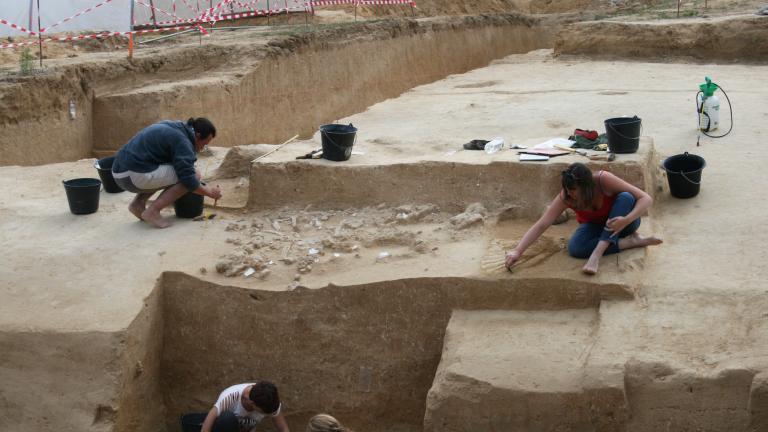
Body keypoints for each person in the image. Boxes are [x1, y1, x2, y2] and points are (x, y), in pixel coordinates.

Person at [505, 162, 662, 275]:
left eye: (573, 189)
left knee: (626, 197)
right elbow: (542, 223)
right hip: (596, 227)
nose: (570, 193)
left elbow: (646, 199)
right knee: (575, 248)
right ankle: (630, 242)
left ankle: (596, 255)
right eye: (567, 189)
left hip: (624, 223)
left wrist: (627, 219)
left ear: (587, 186)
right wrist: (518, 251)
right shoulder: (566, 197)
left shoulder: (603, 180)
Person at [111, 117, 222, 228]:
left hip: (119, 174)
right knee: (194, 175)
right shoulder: (183, 141)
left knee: (168, 170)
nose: (202, 148)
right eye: (204, 143)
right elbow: (188, 179)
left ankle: (137, 205)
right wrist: (210, 193)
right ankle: (153, 211)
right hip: (134, 176)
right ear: (197, 135)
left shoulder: (175, 126)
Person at [200, 381, 290, 432]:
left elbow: (283, 428)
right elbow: (206, 428)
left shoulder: (269, 399)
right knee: (227, 418)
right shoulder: (231, 396)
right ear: (252, 404)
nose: (265, 414)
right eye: (262, 412)